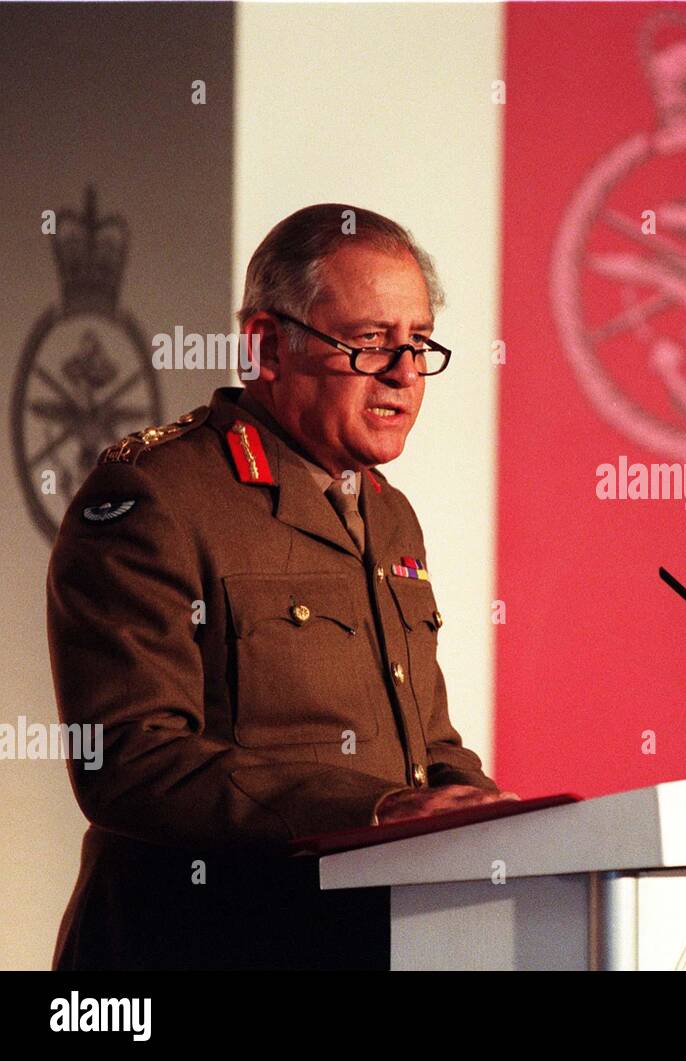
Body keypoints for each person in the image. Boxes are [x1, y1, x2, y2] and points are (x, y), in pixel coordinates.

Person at [48, 203, 517, 970]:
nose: (404, 373)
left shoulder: (388, 514)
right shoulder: (155, 497)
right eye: (371, 343)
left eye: (419, 343)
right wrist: (377, 810)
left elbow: (423, 746)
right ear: (266, 347)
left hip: (360, 943)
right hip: (195, 948)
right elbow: (129, 758)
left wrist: (506, 821)